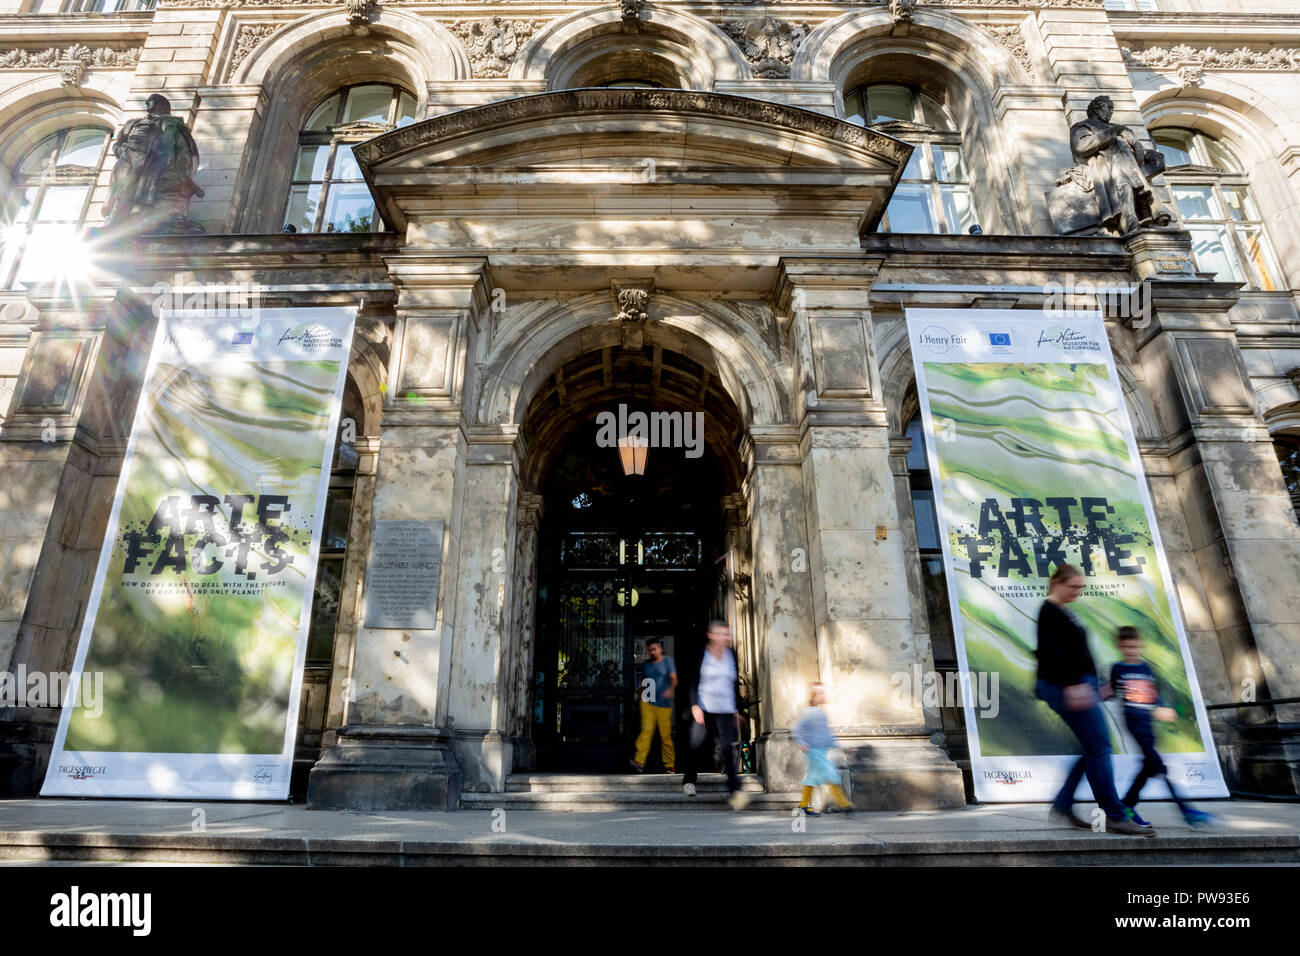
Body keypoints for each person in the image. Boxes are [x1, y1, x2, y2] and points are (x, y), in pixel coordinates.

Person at [1035, 564, 1153, 836]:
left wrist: (1098, 683)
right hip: (1068, 686)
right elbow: (1052, 654)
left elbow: (1077, 653)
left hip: (1080, 684)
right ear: (1057, 582)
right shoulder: (1049, 611)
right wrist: (1073, 685)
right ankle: (1114, 815)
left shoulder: (1064, 610)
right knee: (1100, 748)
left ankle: (1063, 804)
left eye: (1081, 587)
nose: (1078, 592)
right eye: (1073, 587)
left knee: (1093, 748)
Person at [1108, 627, 1215, 828]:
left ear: (1140, 645)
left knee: (1148, 767)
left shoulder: (1146, 668)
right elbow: (1113, 691)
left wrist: (1162, 708)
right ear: (1120, 647)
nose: (1131, 650)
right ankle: (1187, 811)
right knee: (1160, 768)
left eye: (1134, 646)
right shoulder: (1118, 668)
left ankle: (1127, 806)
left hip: (1148, 725)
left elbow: (1153, 695)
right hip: (1133, 723)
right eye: (1126, 647)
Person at [683, 620, 749, 810]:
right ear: (711, 636)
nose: (725, 638)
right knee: (696, 745)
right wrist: (695, 705)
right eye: (720, 634)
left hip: (725, 709)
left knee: (728, 748)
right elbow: (693, 681)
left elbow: (733, 684)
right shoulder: (702, 654)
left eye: (727, 634)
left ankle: (734, 791)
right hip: (704, 708)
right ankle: (689, 780)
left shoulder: (731, 655)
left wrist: (737, 709)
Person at [794, 682, 853, 817]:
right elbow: (798, 729)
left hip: (819, 752)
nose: (823, 695)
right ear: (813, 696)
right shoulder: (810, 713)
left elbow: (827, 736)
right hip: (813, 752)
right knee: (831, 774)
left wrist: (841, 747)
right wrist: (801, 742)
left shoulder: (821, 713)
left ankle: (803, 806)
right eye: (820, 693)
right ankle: (845, 805)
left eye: (823, 692)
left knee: (812, 778)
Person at [630, 638, 676, 774]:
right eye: (650, 650)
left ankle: (669, 765)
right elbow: (644, 682)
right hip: (647, 701)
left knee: (665, 735)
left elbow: (674, 679)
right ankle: (639, 762)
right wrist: (638, 694)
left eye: (654, 649)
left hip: (663, 703)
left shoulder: (668, 661)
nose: (652, 652)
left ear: (660, 648)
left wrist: (671, 690)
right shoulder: (646, 664)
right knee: (647, 731)